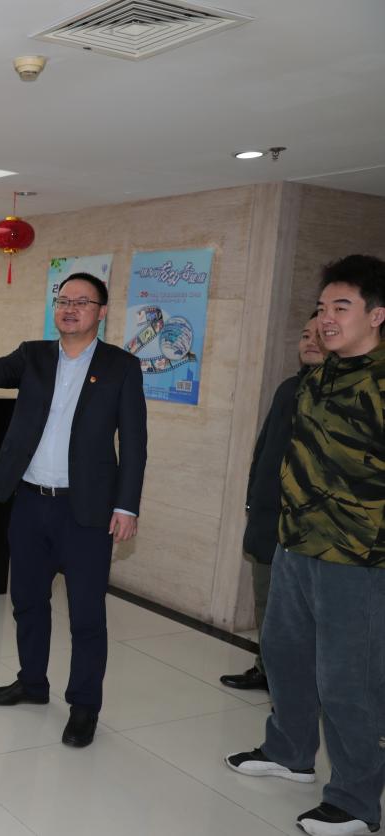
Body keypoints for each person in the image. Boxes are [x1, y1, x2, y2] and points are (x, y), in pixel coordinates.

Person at [226, 255, 385, 836]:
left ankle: (356, 801)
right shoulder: (318, 377)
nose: (325, 319)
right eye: (321, 308)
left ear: (377, 315)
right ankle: (290, 753)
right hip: (296, 544)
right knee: (284, 654)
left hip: (356, 556)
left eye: (341, 307)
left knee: (347, 681)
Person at [0, 272, 147, 748]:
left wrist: (127, 505)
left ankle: (84, 706)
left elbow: (134, 442)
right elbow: (1, 368)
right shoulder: (35, 355)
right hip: (29, 501)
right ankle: (31, 682)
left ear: (101, 312)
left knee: (86, 613)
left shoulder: (121, 366)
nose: (70, 308)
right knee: (27, 600)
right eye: (64, 300)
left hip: (86, 510)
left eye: (82, 302)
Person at [220, 314, 325, 692]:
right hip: (268, 518)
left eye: (320, 336)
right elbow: (264, 448)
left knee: (303, 613)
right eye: (305, 335)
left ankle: (300, 683)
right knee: (267, 600)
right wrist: (253, 499)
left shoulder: (339, 396)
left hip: (309, 529)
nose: (310, 341)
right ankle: (266, 668)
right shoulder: (288, 388)